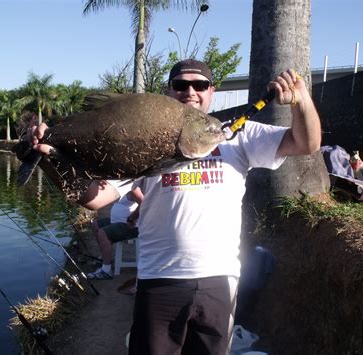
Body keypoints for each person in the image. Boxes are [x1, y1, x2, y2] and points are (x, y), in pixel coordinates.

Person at [29, 59, 322, 354]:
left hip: (219, 279)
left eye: (200, 85)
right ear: (169, 92)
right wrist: (49, 158)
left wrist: (300, 101)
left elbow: (305, 142)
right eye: (180, 85)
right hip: (159, 279)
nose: (190, 91)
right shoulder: (143, 141)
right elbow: (94, 198)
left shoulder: (238, 136)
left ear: (212, 91)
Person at [87, 186, 143, 280]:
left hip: (131, 226)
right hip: (118, 221)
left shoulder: (133, 188)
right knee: (95, 225)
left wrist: (131, 219)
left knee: (102, 232)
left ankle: (106, 270)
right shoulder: (119, 185)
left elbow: (144, 203)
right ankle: (106, 258)